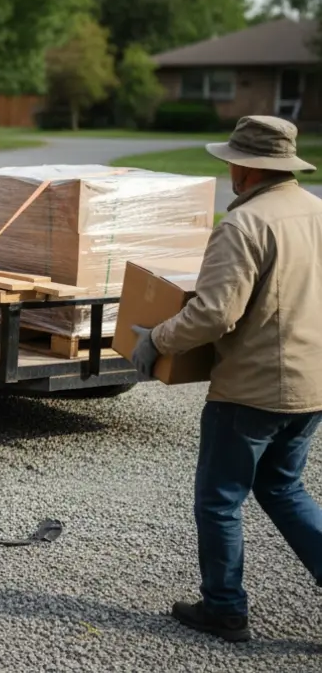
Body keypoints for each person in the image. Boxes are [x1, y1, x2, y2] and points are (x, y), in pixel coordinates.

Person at [130, 115, 322, 642]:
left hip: (253, 390)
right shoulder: (316, 212)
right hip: (312, 386)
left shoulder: (244, 225)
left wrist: (157, 340)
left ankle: (224, 609)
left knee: (219, 500)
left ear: (247, 169)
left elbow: (215, 313)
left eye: (233, 163)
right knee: (283, 487)